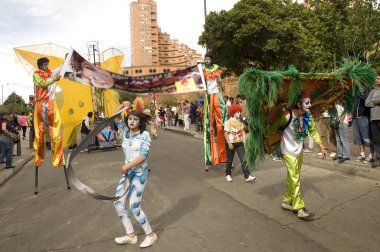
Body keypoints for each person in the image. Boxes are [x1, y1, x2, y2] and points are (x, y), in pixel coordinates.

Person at [113, 101, 158, 248]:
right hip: (127, 174)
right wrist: (122, 106)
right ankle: (131, 235)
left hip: (139, 174)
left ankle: (151, 235)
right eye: (130, 118)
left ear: (140, 122)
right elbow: (114, 116)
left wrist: (127, 166)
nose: (131, 121)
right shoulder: (125, 132)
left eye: (135, 119)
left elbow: (143, 156)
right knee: (118, 204)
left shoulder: (144, 135)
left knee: (134, 206)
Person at [280, 93, 327, 221]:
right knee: (295, 178)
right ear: (299, 104)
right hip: (287, 151)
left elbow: (313, 131)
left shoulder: (307, 116)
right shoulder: (286, 116)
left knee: (293, 176)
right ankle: (299, 208)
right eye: (307, 103)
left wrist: (321, 147)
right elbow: (272, 128)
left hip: (298, 150)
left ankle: (286, 201)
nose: (310, 105)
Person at [33, 57, 65, 168]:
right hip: (41, 104)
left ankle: (58, 159)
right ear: (41, 65)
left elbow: (61, 68)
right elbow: (42, 84)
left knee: (56, 130)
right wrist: (54, 80)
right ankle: (39, 157)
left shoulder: (51, 73)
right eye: (45, 65)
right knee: (40, 132)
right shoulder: (36, 74)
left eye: (48, 64)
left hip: (51, 102)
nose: (47, 66)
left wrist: (66, 59)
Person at [202, 53, 227, 169]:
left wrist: (222, 88)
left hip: (217, 95)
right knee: (208, 125)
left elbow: (219, 80)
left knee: (222, 123)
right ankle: (209, 159)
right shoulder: (202, 70)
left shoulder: (216, 68)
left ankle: (224, 156)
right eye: (205, 58)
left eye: (208, 58)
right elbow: (200, 83)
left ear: (211, 60)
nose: (207, 60)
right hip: (208, 96)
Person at [224, 104, 256, 182]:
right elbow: (225, 133)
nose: (239, 113)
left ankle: (247, 176)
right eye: (238, 112)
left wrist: (244, 141)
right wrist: (229, 143)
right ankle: (228, 174)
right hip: (231, 143)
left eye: (239, 112)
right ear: (234, 112)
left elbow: (243, 132)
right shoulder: (228, 122)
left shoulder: (239, 121)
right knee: (230, 160)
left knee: (244, 159)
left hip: (239, 143)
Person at [352, 90, 374, 163]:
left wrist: (358, 94)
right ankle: (362, 154)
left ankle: (371, 155)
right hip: (355, 117)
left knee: (367, 136)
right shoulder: (356, 90)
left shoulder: (369, 89)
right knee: (358, 136)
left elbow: (365, 99)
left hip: (364, 116)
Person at [365, 75, 380, 168]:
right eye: (375, 79)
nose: (376, 80)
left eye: (378, 78)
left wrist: (373, 101)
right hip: (374, 118)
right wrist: (376, 101)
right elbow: (366, 103)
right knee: (376, 140)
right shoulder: (372, 91)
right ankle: (378, 159)